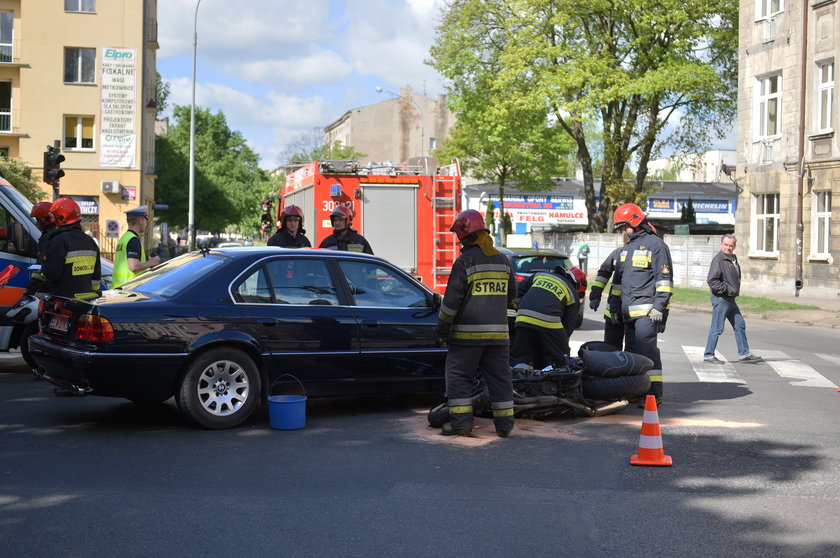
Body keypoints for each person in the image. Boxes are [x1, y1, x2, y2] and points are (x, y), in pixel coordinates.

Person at [437, 209, 515, 438]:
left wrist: (442, 329)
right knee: (501, 380)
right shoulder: (503, 260)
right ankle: (504, 427)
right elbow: (512, 295)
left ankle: (461, 426)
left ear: (464, 233)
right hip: (499, 338)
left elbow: (451, 304)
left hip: (466, 339)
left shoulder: (464, 262)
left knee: (459, 378)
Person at [609, 203, 673, 407]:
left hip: (647, 313)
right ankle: (636, 391)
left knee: (648, 353)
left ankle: (653, 395)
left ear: (635, 222)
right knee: (633, 355)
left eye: (623, 226)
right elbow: (618, 283)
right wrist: (614, 307)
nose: (622, 231)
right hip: (628, 313)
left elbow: (664, 281)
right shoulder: (627, 249)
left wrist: (659, 307)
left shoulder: (656, 245)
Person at [703, 234, 762, 364]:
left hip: (730, 300)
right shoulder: (718, 260)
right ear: (721, 244)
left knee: (740, 325)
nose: (728, 247)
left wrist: (732, 292)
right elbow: (712, 281)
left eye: (731, 245)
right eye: (726, 245)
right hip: (721, 299)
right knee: (717, 328)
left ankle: (744, 354)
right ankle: (708, 355)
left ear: (734, 246)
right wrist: (729, 290)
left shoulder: (732, 258)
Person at [510, 265, 580, 370]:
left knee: (520, 355)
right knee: (559, 358)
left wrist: (518, 307)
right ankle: (552, 376)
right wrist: (561, 344)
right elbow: (568, 326)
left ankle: (518, 379)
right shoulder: (572, 292)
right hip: (549, 321)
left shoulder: (540, 275)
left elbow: (518, 290)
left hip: (523, 317)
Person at [41, 198, 101, 301]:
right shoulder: (91, 242)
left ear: (61, 217)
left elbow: (51, 274)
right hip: (86, 302)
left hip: (63, 301)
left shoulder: (59, 241)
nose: (53, 221)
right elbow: (96, 276)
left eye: (54, 217)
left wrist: (43, 271)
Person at [588, 243, 626, 350]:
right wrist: (595, 296)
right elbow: (603, 273)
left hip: (635, 315)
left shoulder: (650, 254)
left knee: (634, 351)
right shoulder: (618, 253)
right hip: (613, 311)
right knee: (610, 349)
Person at [112, 205, 160, 288]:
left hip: (120, 289)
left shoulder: (124, 238)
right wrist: (152, 262)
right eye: (146, 219)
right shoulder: (133, 240)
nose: (146, 223)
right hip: (128, 290)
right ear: (140, 220)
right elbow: (133, 266)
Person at [25, 201, 58, 295]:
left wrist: (30, 291)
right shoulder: (58, 235)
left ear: (44, 220)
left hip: (47, 289)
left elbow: (41, 267)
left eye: (37, 219)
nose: (36, 222)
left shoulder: (48, 238)